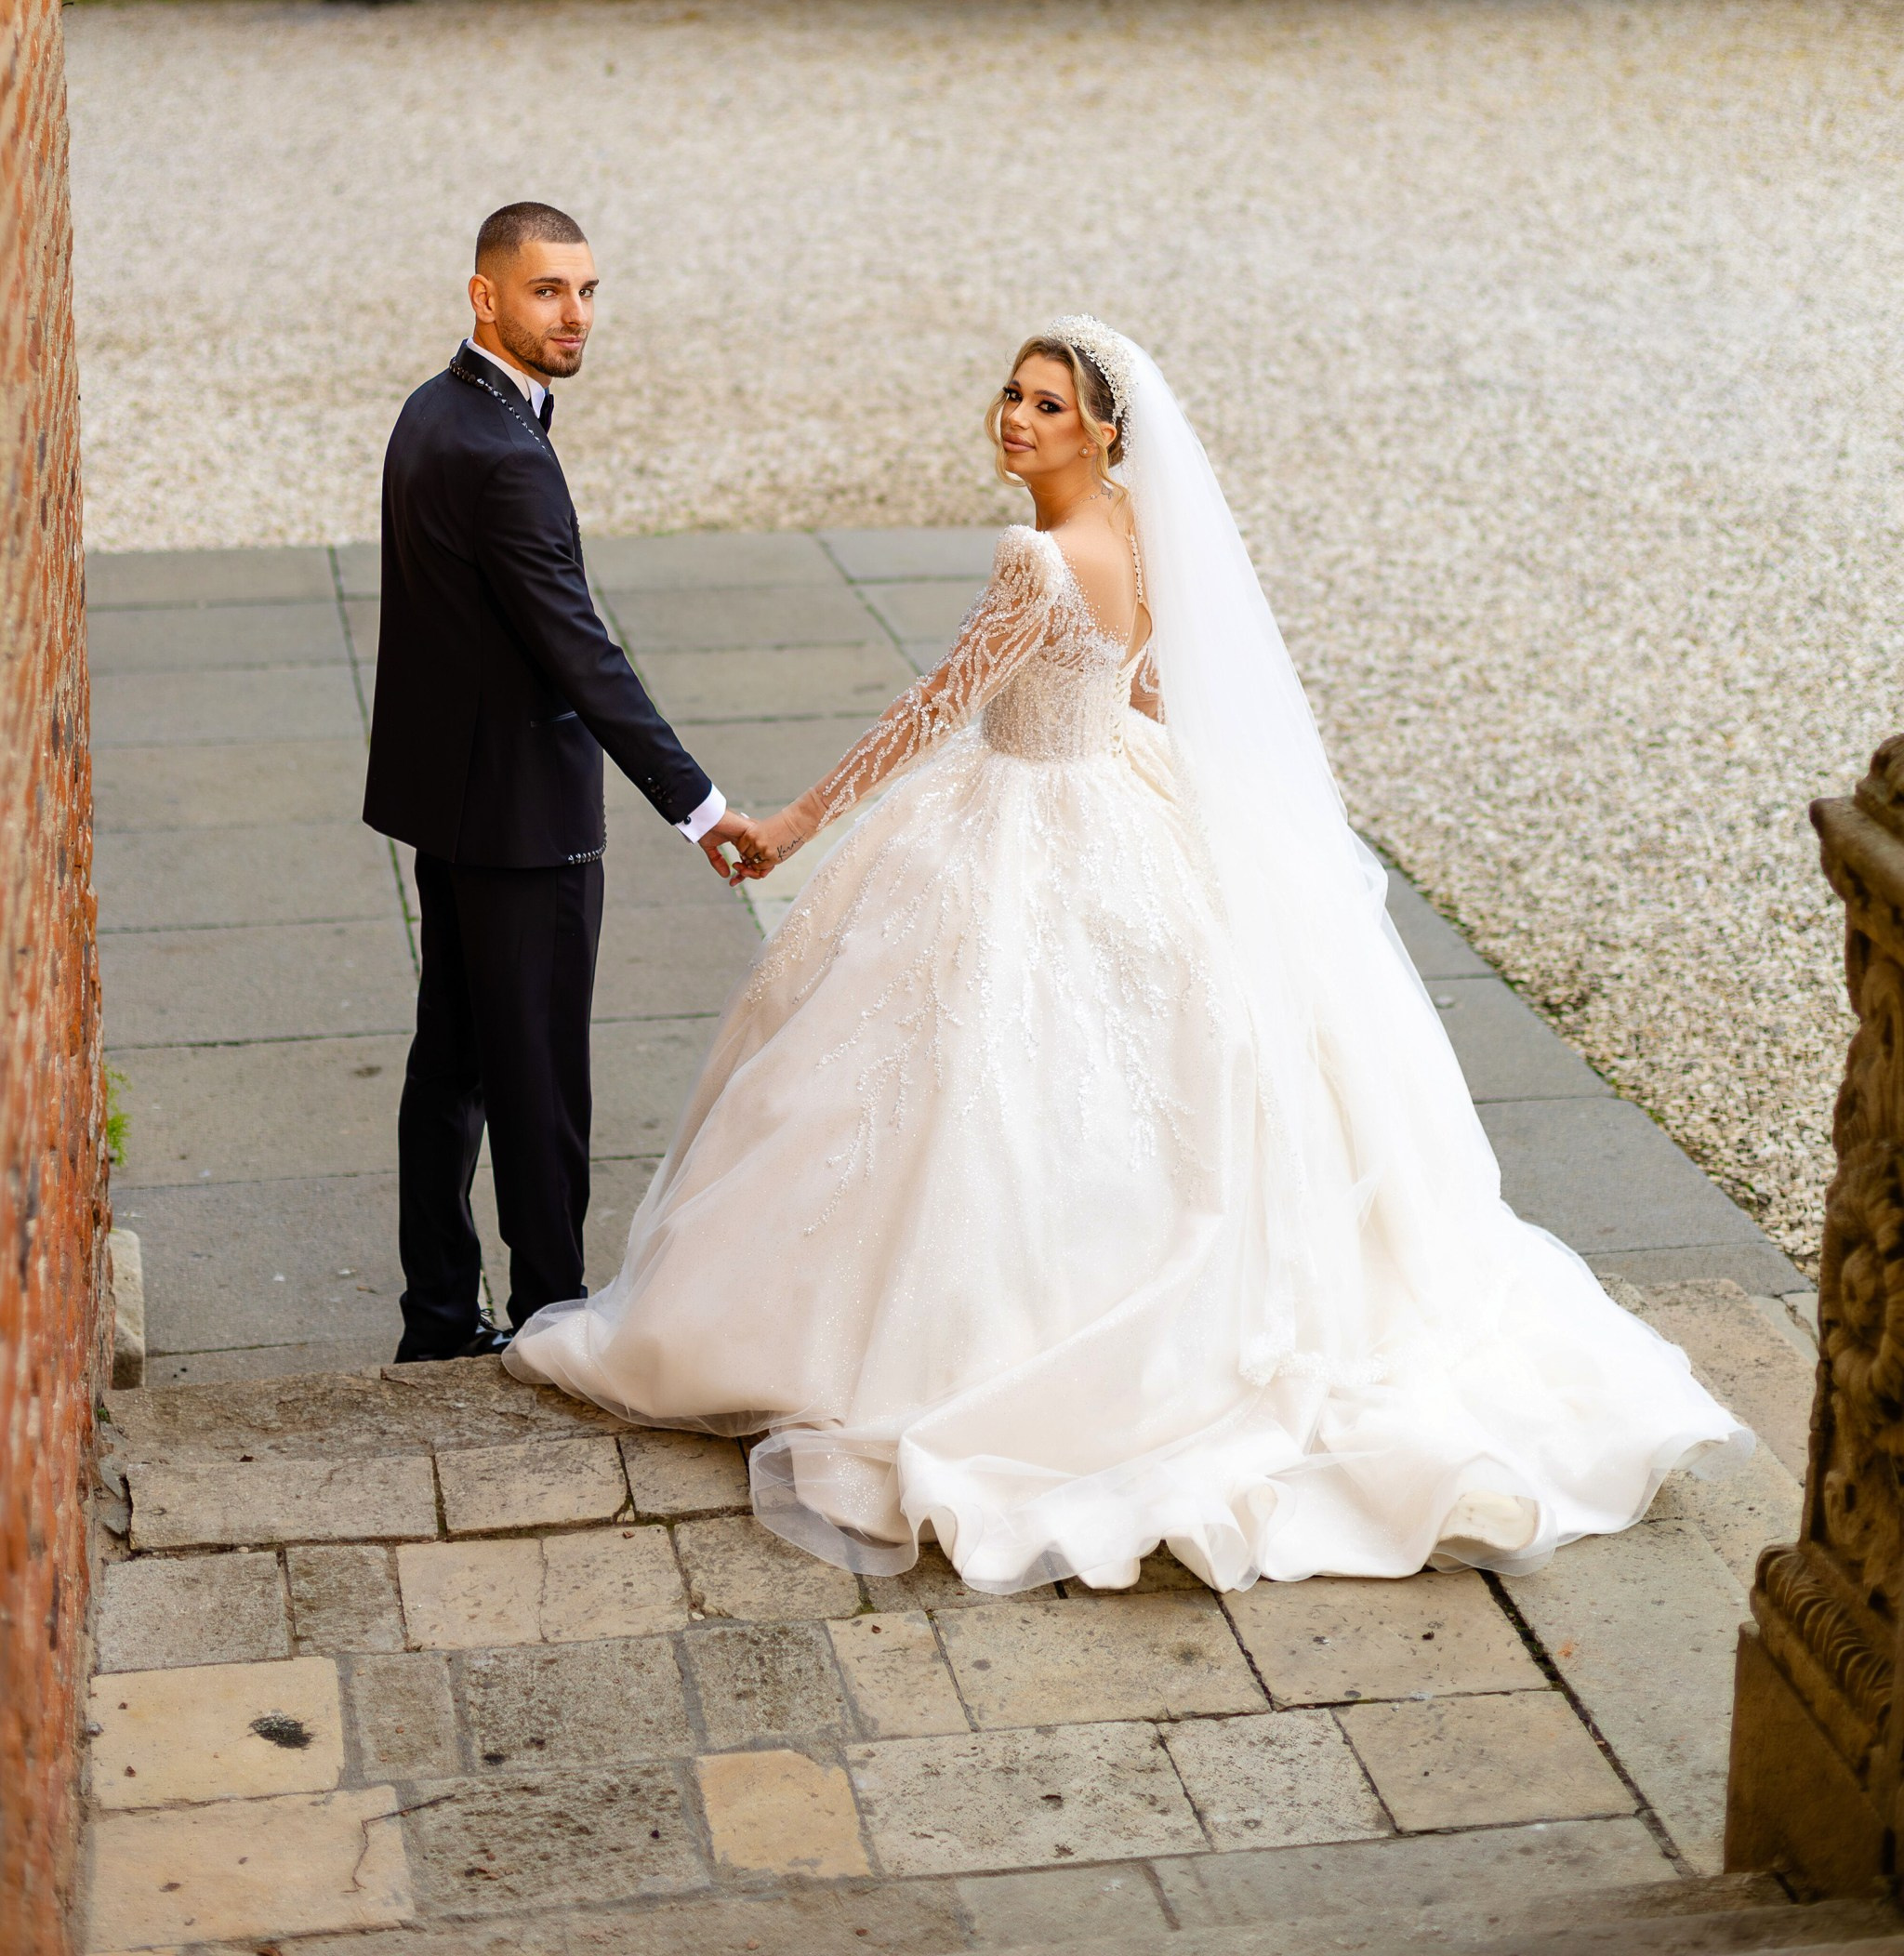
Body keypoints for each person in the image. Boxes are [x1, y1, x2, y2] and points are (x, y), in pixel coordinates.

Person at [505, 317, 1747, 1592]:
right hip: (1113, 795)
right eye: (1010, 395)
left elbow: (940, 707)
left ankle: (921, 1338)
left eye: (1048, 406)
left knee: (956, 1080)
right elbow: (1144, 684)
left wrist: (799, 822)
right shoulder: (1142, 531)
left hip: (1029, 809)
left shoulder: (1035, 556)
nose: (1016, 420)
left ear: (1102, 430)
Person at [364, 202, 760, 1364]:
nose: (575, 315)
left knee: (452, 1067)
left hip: (451, 809)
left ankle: (438, 1316)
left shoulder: (432, 413)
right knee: (538, 1086)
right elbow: (578, 648)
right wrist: (697, 806)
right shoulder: (501, 452)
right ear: (485, 296)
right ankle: (551, 1321)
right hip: (524, 823)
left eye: (586, 291)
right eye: (548, 292)